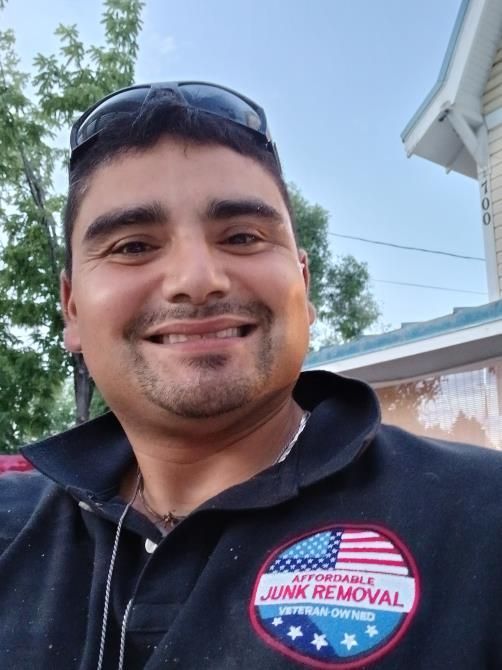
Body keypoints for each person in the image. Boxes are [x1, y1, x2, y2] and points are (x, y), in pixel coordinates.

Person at [0, 81, 501, 670]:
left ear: (303, 286)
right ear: (72, 308)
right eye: (132, 246)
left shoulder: (483, 522)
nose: (197, 279)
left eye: (242, 237)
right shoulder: (12, 529)